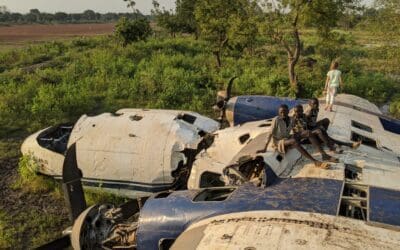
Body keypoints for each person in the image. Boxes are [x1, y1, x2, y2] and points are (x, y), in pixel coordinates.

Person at [258, 104, 330, 169]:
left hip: (287, 137)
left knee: (308, 132)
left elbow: (301, 119)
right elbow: (270, 134)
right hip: (279, 142)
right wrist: (264, 148)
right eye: (281, 112)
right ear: (278, 113)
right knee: (294, 141)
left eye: (284, 112)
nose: (283, 114)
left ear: (288, 111)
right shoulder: (276, 120)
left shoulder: (291, 119)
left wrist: (301, 134)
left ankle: (323, 154)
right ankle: (315, 161)